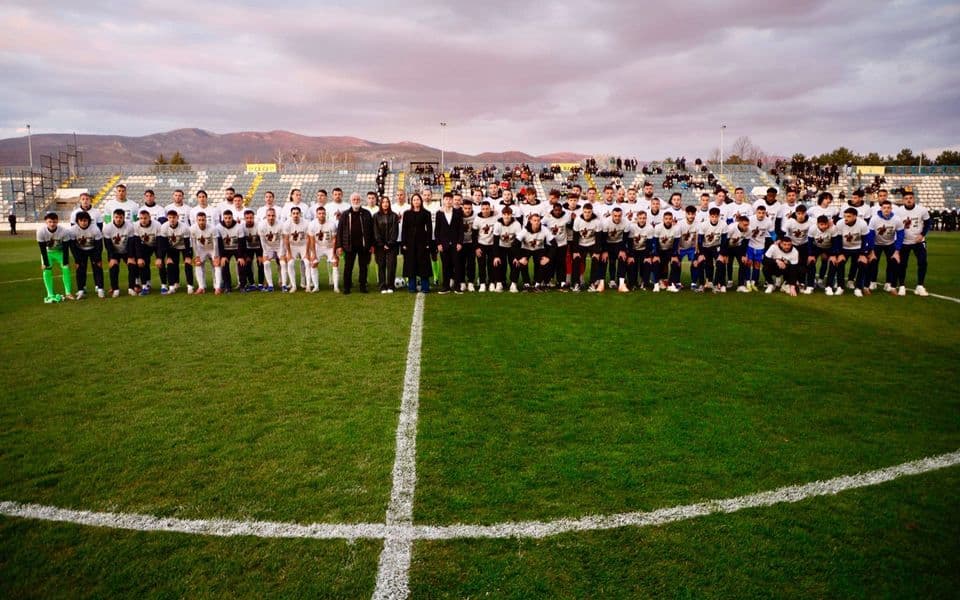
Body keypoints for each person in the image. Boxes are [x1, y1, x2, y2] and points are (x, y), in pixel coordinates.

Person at [335, 192, 375, 294]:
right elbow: (339, 231)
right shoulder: (345, 214)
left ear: (361, 201)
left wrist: (371, 245)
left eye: (358, 199)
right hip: (349, 245)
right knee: (348, 267)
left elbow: (371, 231)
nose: (356, 201)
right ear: (351, 201)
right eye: (354, 200)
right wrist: (339, 246)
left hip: (363, 245)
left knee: (363, 267)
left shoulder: (366, 213)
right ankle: (347, 287)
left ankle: (363, 286)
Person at [896, 190, 930, 296]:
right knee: (902, 264)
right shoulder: (898, 211)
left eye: (910, 198)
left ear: (914, 199)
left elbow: (928, 223)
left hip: (918, 241)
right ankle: (902, 286)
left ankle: (920, 285)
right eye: (906, 199)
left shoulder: (922, 210)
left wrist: (922, 234)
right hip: (904, 242)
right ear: (903, 200)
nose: (908, 200)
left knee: (922, 262)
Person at [36, 211, 75, 303]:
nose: (52, 224)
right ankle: (50, 294)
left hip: (60, 252)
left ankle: (68, 293)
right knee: (46, 270)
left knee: (66, 269)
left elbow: (66, 248)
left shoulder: (64, 231)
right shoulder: (40, 232)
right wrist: (45, 263)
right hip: (48, 252)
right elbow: (42, 249)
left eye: (54, 222)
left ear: (57, 221)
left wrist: (66, 261)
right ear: (46, 222)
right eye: (50, 222)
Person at [834, 207, 873, 297]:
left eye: (849, 216)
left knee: (862, 263)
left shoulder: (862, 224)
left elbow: (865, 240)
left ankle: (858, 288)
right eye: (845, 216)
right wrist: (840, 254)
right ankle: (840, 287)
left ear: (855, 216)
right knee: (840, 263)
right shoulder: (840, 223)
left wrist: (863, 254)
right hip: (844, 248)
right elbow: (838, 239)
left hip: (858, 248)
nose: (846, 218)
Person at [868, 199, 904, 294]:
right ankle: (873, 281)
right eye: (884, 208)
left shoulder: (897, 219)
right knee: (873, 262)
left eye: (888, 208)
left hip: (890, 243)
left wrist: (897, 250)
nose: (886, 210)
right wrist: (871, 251)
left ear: (891, 209)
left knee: (892, 263)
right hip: (877, 244)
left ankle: (888, 282)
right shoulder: (874, 219)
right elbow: (870, 235)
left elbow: (900, 235)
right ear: (881, 208)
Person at [400, 193, 433, 293]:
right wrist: (404, 243)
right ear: (411, 202)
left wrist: (428, 242)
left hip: (422, 242)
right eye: (414, 200)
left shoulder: (426, 213)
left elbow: (429, 229)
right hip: (410, 243)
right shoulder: (407, 213)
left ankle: (425, 287)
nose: (416, 201)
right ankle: (411, 287)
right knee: (411, 264)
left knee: (424, 264)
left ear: (421, 201)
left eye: (418, 199)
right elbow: (404, 229)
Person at [102, 208, 139, 297]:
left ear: (124, 217)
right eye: (116, 217)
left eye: (120, 217)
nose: (118, 219)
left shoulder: (130, 226)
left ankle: (131, 288)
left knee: (132, 265)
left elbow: (131, 242)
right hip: (114, 251)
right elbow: (108, 245)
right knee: (113, 267)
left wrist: (131, 256)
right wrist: (112, 257)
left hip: (126, 250)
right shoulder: (107, 228)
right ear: (113, 217)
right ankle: (115, 289)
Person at [157, 209, 195, 294]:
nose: (172, 219)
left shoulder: (184, 227)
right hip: (172, 247)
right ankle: (172, 286)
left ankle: (190, 286)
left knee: (187, 263)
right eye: (170, 217)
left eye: (174, 217)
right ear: (167, 218)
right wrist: (167, 257)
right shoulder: (164, 227)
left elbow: (187, 243)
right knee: (170, 263)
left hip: (185, 247)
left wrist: (188, 256)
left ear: (177, 218)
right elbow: (164, 244)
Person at [70, 210, 105, 299]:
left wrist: (97, 258)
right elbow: (72, 246)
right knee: (80, 269)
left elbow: (99, 245)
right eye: (81, 221)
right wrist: (77, 259)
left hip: (93, 249)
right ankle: (81, 290)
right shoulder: (72, 230)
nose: (83, 223)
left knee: (98, 267)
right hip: (80, 250)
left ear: (89, 220)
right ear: (77, 221)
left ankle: (100, 289)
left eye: (85, 220)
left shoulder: (95, 229)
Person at [434, 192, 464, 294]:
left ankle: (457, 286)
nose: (448, 201)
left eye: (450, 199)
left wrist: (460, 242)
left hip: (455, 244)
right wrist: (438, 244)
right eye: (446, 199)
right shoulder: (439, 213)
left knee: (457, 265)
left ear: (452, 200)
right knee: (445, 265)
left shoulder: (457, 213)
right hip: (444, 244)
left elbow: (460, 229)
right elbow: (437, 230)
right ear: (443, 200)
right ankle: (445, 286)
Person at [572, 203, 605, 292]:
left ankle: (592, 283)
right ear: (582, 211)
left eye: (589, 212)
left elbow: (599, 237)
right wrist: (575, 251)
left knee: (595, 260)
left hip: (592, 244)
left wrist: (597, 252)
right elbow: (575, 236)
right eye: (585, 212)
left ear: (592, 212)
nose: (587, 214)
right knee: (576, 261)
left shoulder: (597, 221)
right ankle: (576, 283)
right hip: (581, 244)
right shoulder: (577, 220)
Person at [517, 212, 553, 291]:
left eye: (538, 220)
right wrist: (519, 258)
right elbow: (514, 244)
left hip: (539, 249)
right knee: (523, 262)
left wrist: (548, 257)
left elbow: (554, 243)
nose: (536, 222)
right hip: (526, 248)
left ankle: (538, 284)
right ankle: (526, 284)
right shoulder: (525, 230)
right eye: (534, 220)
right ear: (530, 221)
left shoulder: (544, 229)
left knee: (544, 262)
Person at [308, 206, 339, 293]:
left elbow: (334, 240)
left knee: (335, 262)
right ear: (316, 215)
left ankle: (336, 287)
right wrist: (313, 254)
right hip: (318, 247)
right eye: (319, 213)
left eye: (323, 213)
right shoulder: (312, 224)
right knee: (313, 263)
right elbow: (312, 241)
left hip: (329, 247)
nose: (321, 215)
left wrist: (334, 253)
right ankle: (316, 286)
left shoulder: (332, 224)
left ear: (326, 214)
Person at [132, 208, 163, 294]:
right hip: (145, 246)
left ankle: (164, 285)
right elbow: (137, 243)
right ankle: (145, 286)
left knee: (161, 263)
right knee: (142, 263)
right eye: (141, 218)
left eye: (145, 218)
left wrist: (159, 257)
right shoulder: (136, 225)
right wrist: (139, 257)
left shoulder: (157, 225)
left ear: (149, 217)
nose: (143, 220)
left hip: (156, 244)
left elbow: (160, 242)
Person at [373, 196, 400, 294]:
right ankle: (382, 286)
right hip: (379, 246)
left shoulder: (394, 216)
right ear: (380, 204)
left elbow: (395, 231)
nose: (385, 204)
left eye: (387, 202)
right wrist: (381, 244)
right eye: (383, 202)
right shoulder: (376, 216)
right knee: (381, 265)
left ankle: (391, 286)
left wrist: (389, 243)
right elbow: (375, 231)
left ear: (389, 203)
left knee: (391, 266)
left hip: (392, 246)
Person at [493, 206, 523, 292]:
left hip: (513, 247)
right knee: (498, 263)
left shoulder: (517, 224)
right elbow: (495, 240)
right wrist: (496, 256)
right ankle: (499, 283)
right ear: (502, 215)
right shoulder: (497, 224)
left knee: (515, 263)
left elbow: (518, 241)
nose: (506, 216)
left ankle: (514, 283)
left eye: (508, 214)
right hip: (501, 246)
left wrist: (517, 256)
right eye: (505, 214)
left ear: (511, 215)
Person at [217, 209, 246, 294]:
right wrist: (222, 256)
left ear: (232, 217)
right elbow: (219, 243)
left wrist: (240, 256)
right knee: (224, 264)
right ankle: (227, 286)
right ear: (223, 218)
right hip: (225, 250)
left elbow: (241, 242)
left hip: (237, 249)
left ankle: (242, 286)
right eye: (225, 218)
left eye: (229, 218)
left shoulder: (239, 226)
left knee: (241, 264)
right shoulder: (218, 227)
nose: (228, 220)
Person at [190, 211, 219, 294]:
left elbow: (216, 243)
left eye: (203, 220)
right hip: (201, 248)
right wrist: (197, 255)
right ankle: (201, 287)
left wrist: (216, 255)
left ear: (206, 220)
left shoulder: (213, 228)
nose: (201, 222)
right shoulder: (192, 228)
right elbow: (194, 243)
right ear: (196, 220)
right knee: (198, 264)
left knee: (216, 265)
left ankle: (217, 287)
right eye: (199, 220)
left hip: (212, 248)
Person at [257, 207, 286, 292]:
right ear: (266, 216)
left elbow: (281, 239)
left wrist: (281, 252)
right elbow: (262, 241)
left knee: (283, 263)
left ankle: (284, 285)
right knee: (266, 263)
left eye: (273, 215)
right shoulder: (261, 225)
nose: (271, 217)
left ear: (275, 216)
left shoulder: (280, 224)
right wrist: (265, 253)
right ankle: (270, 286)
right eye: (269, 215)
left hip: (279, 246)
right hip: (268, 247)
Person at [283, 206, 310, 293]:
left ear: (300, 214)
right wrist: (289, 253)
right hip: (292, 246)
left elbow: (308, 238)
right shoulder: (287, 224)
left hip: (303, 245)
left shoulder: (306, 223)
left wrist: (306, 252)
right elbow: (286, 239)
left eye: (297, 213)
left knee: (307, 262)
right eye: (293, 213)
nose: (295, 215)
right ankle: (293, 286)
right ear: (291, 215)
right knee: (290, 263)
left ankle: (308, 285)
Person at [652, 211, 680, 292]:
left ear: (672, 220)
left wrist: (674, 255)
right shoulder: (658, 227)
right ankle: (656, 284)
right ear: (663, 219)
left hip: (669, 250)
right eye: (666, 219)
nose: (668, 220)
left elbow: (676, 243)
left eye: (670, 219)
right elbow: (655, 242)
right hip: (659, 250)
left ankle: (671, 284)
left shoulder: (676, 229)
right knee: (656, 262)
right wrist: (656, 255)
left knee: (675, 262)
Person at [240, 209, 265, 291]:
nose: (249, 220)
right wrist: (245, 255)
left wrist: (261, 255)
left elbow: (262, 240)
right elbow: (242, 243)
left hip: (258, 247)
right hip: (248, 248)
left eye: (251, 218)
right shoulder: (242, 227)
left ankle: (261, 283)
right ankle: (252, 284)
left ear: (254, 217)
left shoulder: (259, 225)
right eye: (247, 218)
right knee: (247, 263)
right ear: (244, 218)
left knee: (260, 262)